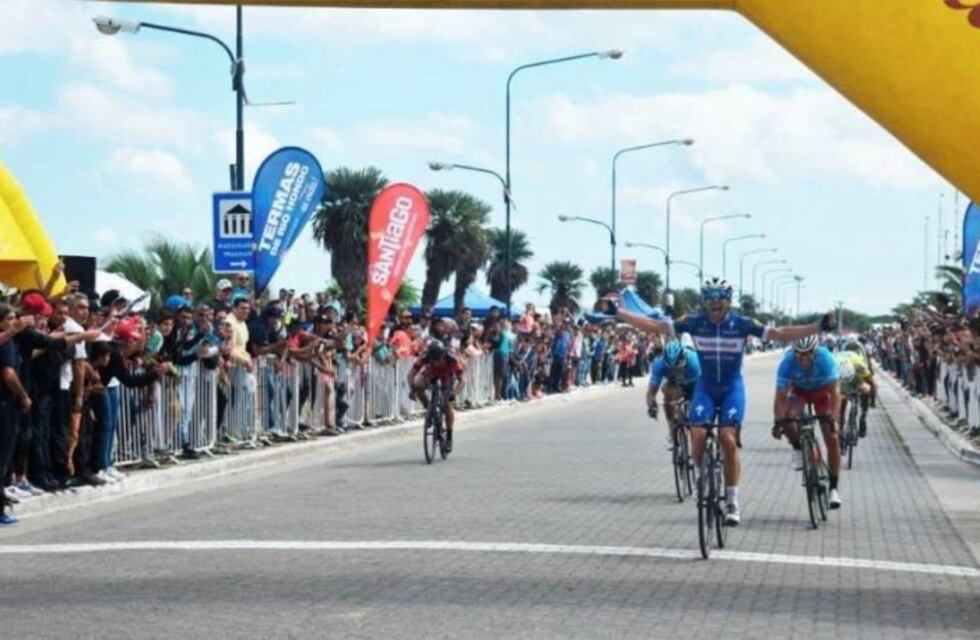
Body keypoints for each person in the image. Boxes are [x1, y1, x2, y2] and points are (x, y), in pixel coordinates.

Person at [601, 277, 833, 526]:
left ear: (728, 300)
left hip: (732, 388)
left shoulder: (742, 324)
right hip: (706, 388)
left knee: (728, 438)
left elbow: (781, 333)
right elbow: (655, 326)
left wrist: (818, 326)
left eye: (719, 297)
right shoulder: (694, 322)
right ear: (704, 301)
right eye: (709, 298)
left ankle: (732, 500)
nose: (714, 303)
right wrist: (620, 313)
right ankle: (703, 479)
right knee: (697, 433)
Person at [772, 335, 843, 510]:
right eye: (800, 355)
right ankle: (797, 447)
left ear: (815, 352)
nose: (803, 358)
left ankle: (834, 488)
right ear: (794, 352)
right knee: (788, 417)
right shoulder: (787, 362)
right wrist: (777, 421)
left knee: (832, 437)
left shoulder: (825, 358)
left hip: (822, 395)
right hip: (800, 393)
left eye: (807, 354)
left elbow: (835, 392)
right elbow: (780, 396)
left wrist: (834, 418)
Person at [408, 341, 465, 453]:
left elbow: (462, 380)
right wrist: (412, 389)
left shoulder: (451, 358)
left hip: (446, 376)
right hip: (431, 373)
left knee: (447, 404)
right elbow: (411, 375)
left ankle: (449, 436)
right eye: (433, 359)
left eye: (437, 359)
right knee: (417, 384)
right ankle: (428, 409)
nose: (435, 361)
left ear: (443, 354)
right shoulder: (426, 356)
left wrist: (454, 393)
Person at [648, 338, 701, 450]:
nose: (675, 371)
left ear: (684, 360)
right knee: (667, 395)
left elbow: (704, 388)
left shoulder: (694, 362)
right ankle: (672, 432)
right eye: (670, 369)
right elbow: (651, 391)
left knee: (695, 413)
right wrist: (651, 405)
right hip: (675, 385)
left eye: (677, 367)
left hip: (694, 385)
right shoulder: (659, 364)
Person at [836, 346, 875, 438]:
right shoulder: (832, 364)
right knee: (841, 404)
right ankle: (840, 432)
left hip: (855, 377)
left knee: (867, 389)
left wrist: (872, 397)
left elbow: (872, 382)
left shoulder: (858, 363)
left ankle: (863, 416)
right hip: (839, 379)